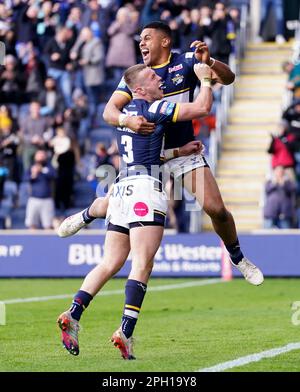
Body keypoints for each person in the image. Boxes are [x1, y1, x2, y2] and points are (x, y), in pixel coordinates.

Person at [58, 21, 263, 288]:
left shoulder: (186, 62)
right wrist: (126, 120)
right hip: (147, 155)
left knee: (215, 208)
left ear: (164, 41)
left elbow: (229, 78)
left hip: (182, 151)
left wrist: (210, 62)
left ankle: (237, 257)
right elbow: (108, 112)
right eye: (140, 39)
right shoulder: (137, 76)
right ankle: (85, 215)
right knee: (111, 204)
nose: (141, 43)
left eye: (147, 38)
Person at [57, 62, 213, 359]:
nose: (160, 78)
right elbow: (202, 108)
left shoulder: (124, 117)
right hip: (144, 188)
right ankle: (125, 332)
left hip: (121, 190)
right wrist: (205, 80)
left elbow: (148, 150)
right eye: (154, 77)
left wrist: (179, 152)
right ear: (139, 89)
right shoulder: (155, 109)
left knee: (110, 263)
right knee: (142, 263)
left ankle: (74, 313)